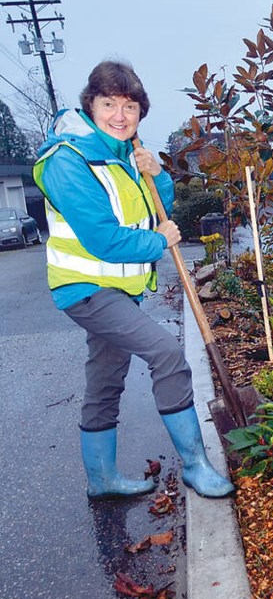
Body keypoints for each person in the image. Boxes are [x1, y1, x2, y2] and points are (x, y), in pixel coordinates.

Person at [33, 60, 234, 499]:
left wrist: (157, 175)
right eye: (109, 104)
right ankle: (196, 466)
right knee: (167, 356)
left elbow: (157, 208)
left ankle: (101, 479)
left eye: (130, 106)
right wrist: (158, 244)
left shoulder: (123, 154)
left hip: (118, 290)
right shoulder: (68, 160)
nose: (120, 115)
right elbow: (103, 238)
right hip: (86, 289)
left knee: (106, 377)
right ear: (91, 105)